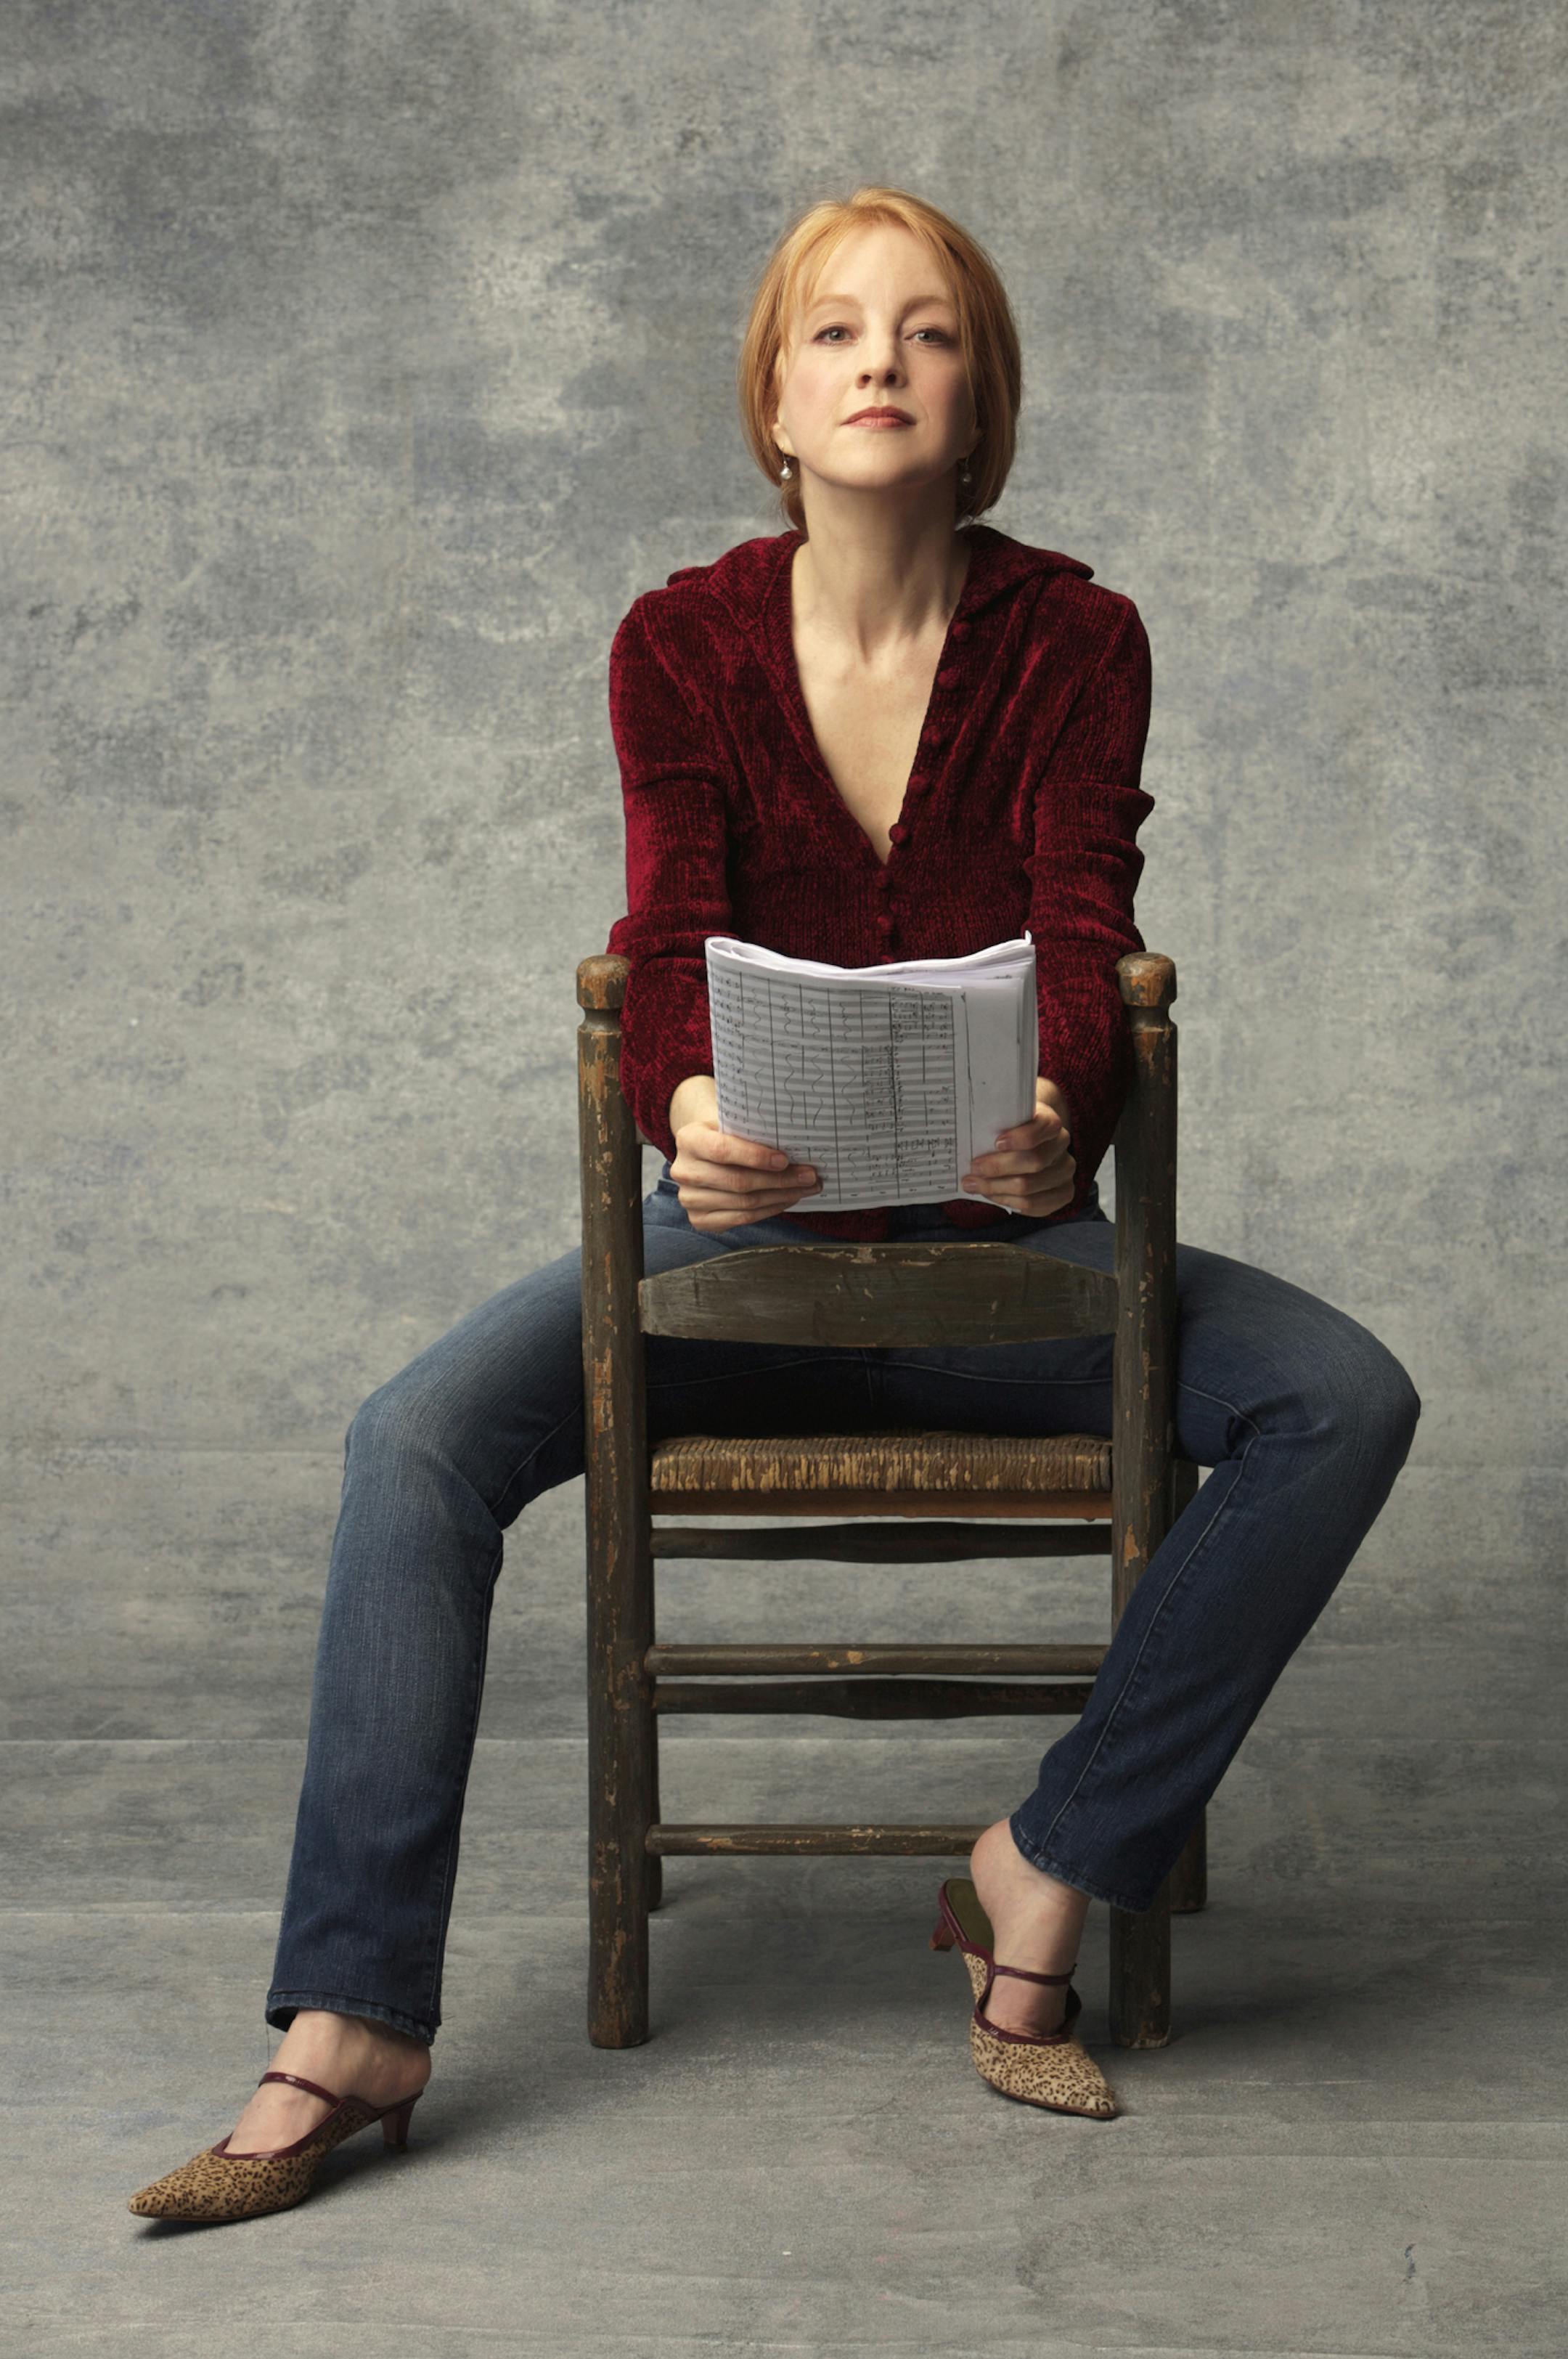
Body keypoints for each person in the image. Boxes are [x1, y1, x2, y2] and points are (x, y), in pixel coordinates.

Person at [128, 186, 1421, 2215]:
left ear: (978, 391)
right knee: (412, 1444)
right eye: (838, 333)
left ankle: (1044, 1861)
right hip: (728, 1266)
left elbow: (1089, 925)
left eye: (926, 331)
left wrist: (1059, 1108)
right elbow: (669, 936)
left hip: (1017, 1269)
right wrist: (695, 1097)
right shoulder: (682, 642)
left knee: (1343, 1397)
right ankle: (355, 2019)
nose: (883, 362)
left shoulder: (1082, 638)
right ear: (777, 396)